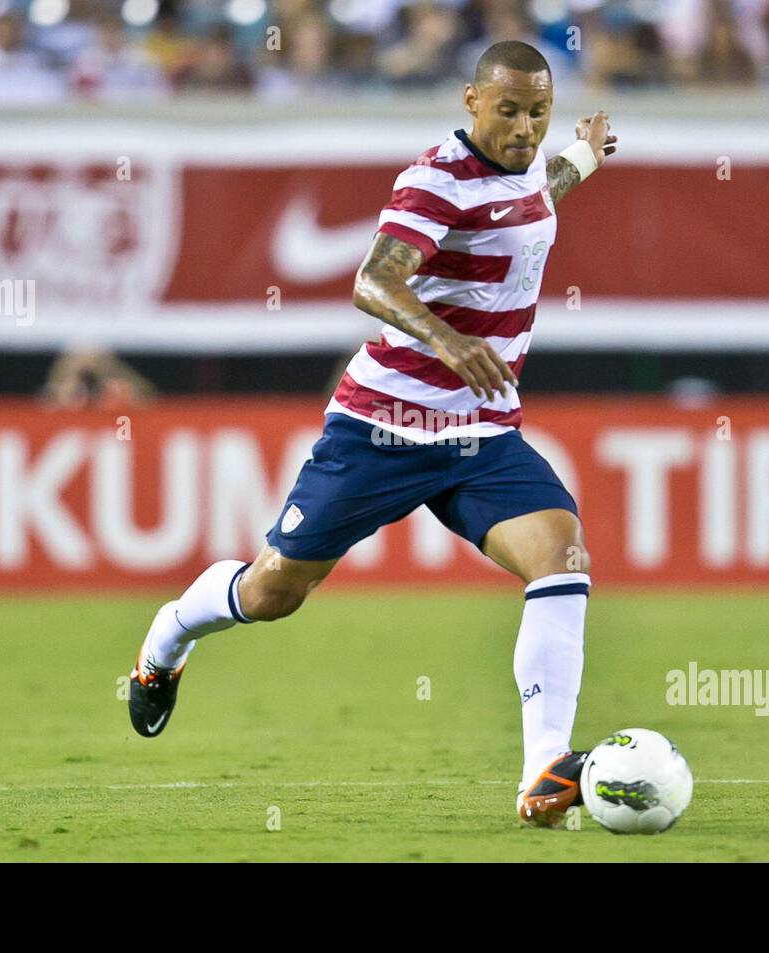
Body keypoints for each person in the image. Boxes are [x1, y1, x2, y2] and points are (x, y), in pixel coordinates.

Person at [126, 40, 617, 828]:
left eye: (539, 112)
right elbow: (372, 279)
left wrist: (581, 159)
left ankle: (543, 772)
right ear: (470, 101)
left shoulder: (526, 166)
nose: (526, 128)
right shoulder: (434, 180)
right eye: (510, 110)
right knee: (273, 590)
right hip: (383, 425)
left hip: (481, 433)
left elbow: (533, 203)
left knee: (562, 556)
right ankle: (170, 633)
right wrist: (450, 341)